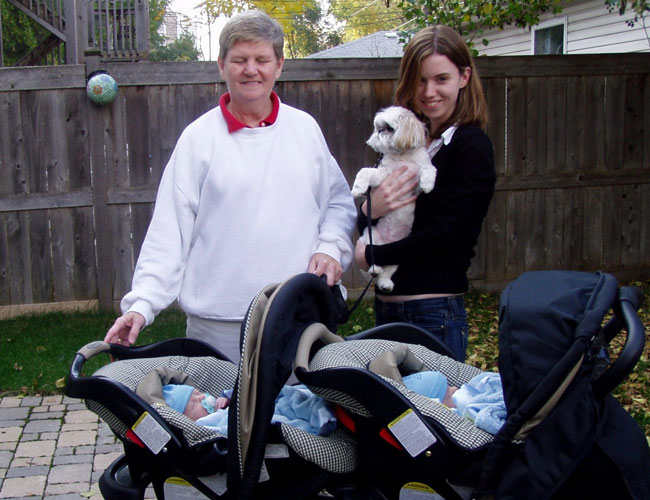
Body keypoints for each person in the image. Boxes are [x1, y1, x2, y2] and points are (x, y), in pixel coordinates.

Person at [104, 10, 356, 362]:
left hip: (298, 317)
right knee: (218, 416)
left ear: (279, 65)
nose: (250, 70)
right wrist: (141, 305)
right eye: (239, 60)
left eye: (261, 59)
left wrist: (330, 247)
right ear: (222, 65)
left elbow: (339, 205)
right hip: (216, 329)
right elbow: (169, 233)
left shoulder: (305, 130)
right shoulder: (198, 139)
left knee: (301, 415)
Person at [354, 25, 496, 362]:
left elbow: (448, 235)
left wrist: (375, 256)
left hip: (432, 314)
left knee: (430, 414)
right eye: (420, 80)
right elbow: (369, 215)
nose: (429, 91)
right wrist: (369, 212)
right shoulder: (404, 142)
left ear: (463, 77)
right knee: (390, 414)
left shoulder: (470, 146)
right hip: (388, 310)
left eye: (441, 79)